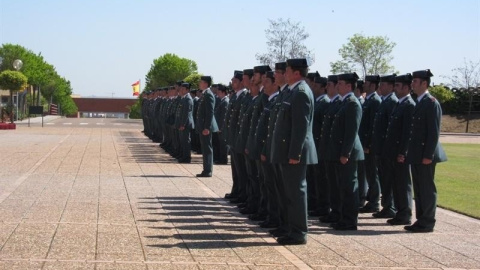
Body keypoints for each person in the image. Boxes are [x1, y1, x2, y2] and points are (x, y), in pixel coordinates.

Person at [271, 58, 317, 245]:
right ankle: (291, 229)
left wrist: (294, 154)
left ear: (296, 73)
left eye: (287, 70)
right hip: (286, 151)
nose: (284, 73)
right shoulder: (292, 92)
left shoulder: (301, 93)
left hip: (294, 154)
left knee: (296, 192)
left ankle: (298, 233)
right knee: (289, 193)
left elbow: (300, 128)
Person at [405, 69, 447, 233]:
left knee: (427, 188)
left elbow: (433, 132)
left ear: (424, 83)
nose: (412, 84)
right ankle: (421, 220)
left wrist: (428, 155)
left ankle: (428, 221)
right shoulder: (419, 102)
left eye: (415, 81)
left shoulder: (431, 103)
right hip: (417, 154)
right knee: (419, 188)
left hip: (426, 155)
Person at [329, 72, 364, 230]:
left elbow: (351, 131)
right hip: (340, 152)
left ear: (349, 86)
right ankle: (343, 217)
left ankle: (350, 221)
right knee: (342, 186)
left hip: (348, 153)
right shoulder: (344, 102)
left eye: (340, 83)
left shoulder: (352, 103)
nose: (337, 86)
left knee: (349, 188)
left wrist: (345, 153)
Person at [382, 73, 416, 225]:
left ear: (407, 88)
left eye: (397, 85)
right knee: (396, 183)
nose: (395, 88)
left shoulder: (409, 105)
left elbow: (408, 132)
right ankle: (399, 212)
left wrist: (403, 152)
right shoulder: (399, 103)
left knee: (403, 184)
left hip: (400, 152)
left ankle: (405, 214)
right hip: (392, 151)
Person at [372, 74, 398, 219]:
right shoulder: (385, 101)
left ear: (390, 86)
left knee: (388, 179)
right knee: (383, 178)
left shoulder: (392, 101)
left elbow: (390, 128)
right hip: (380, 148)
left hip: (386, 149)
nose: (380, 87)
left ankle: (390, 207)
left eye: (383, 85)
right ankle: (387, 206)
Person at [358, 75, 382, 213]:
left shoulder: (375, 101)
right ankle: (371, 201)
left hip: (370, 146)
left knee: (373, 174)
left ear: (373, 85)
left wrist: (369, 144)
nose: (364, 85)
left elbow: (373, 126)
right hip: (364, 144)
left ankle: (374, 202)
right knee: (369, 173)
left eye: (367, 83)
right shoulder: (369, 100)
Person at [195, 76, 218, 177]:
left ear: (206, 83)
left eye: (201, 82)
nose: (199, 83)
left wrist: (207, 127)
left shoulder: (208, 95)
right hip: (203, 126)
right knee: (205, 148)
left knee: (207, 148)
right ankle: (206, 169)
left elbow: (210, 112)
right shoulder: (205, 94)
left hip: (206, 127)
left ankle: (208, 170)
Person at [177, 83, 194, 163]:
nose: (181, 90)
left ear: (187, 90)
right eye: (181, 88)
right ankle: (183, 156)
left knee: (186, 141)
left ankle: (187, 158)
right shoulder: (183, 98)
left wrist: (183, 124)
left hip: (186, 124)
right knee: (182, 141)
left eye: (183, 89)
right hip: (182, 123)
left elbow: (186, 113)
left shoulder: (188, 99)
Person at [214, 84, 229, 164]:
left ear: (223, 92)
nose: (217, 93)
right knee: (220, 144)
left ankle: (223, 160)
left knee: (223, 145)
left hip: (222, 128)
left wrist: (221, 127)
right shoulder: (222, 101)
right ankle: (220, 159)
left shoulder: (225, 102)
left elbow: (224, 116)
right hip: (219, 127)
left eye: (219, 91)